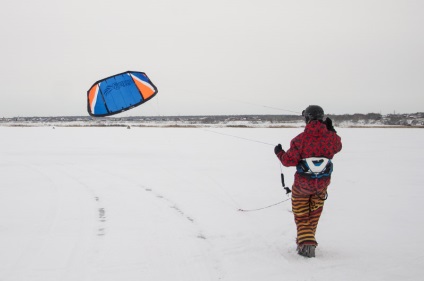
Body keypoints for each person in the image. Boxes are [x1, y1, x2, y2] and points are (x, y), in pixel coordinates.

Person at [274, 105, 342, 258]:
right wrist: (331, 131)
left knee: (301, 213)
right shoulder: (332, 138)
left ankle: (306, 244)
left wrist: (279, 152)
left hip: (302, 185)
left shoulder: (299, 139)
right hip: (322, 185)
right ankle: (306, 240)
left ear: (307, 118)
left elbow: (288, 161)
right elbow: (338, 147)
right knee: (314, 213)